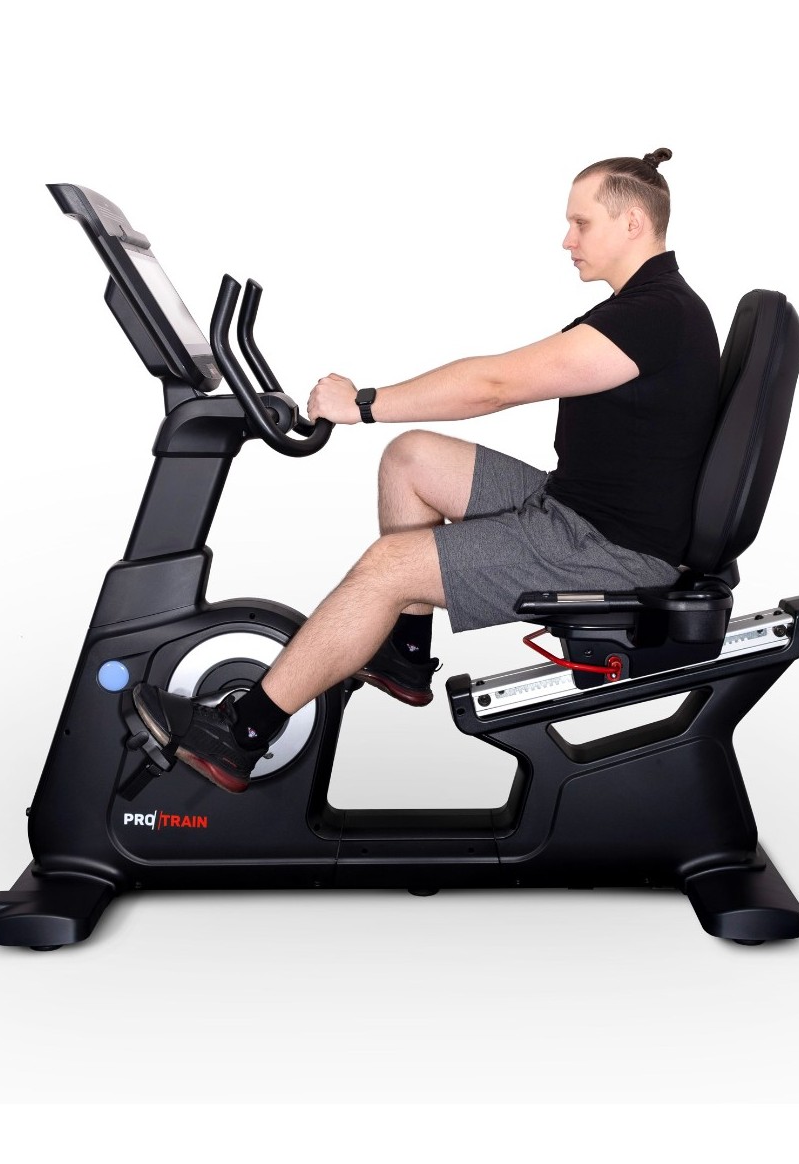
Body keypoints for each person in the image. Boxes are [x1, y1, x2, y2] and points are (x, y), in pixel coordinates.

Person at [132, 147, 721, 794]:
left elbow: (494, 386)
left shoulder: (655, 316)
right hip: (578, 507)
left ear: (633, 223)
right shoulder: (651, 307)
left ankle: (241, 733)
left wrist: (363, 404)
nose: (566, 240)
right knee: (411, 457)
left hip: (608, 549)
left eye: (581, 224)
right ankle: (404, 653)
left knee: (386, 569)